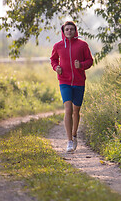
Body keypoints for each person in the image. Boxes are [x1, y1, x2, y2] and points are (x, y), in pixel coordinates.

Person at [50, 21, 93, 152]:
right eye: (67, 29)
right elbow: (53, 60)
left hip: (79, 82)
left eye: (71, 29)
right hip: (64, 81)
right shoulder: (58, 46)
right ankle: (69, 141)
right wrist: (56, 67)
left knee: (76, 111)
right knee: (68, 109)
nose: (69, 31)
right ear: (63, 31)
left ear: (75, 31)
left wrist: (81, 65)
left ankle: (74, 135)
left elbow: (90, 61)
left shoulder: (83, 45)